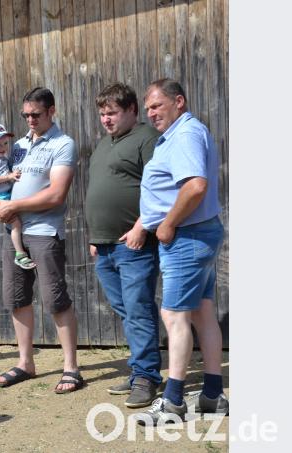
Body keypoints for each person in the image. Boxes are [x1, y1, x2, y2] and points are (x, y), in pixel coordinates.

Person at [137, 79, 227, 424]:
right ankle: (213, 395)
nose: (151, 113)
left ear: (179, 102)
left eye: (157, 106)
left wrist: (168, 223)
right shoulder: (182, 132)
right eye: (148, 108)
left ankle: (173, 402)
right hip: (197, 234)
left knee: (174, 317)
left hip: (187, 236)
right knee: (203, 312)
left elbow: (195, 186)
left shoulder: (185, 134)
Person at [0, 87, 83, 393]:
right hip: (14, 232)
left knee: (55, 299)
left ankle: (71, 367)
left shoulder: (63, 144)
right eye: (26, 115)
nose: (30, 119)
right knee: (17, 298)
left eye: (36, 114)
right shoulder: (16, 146)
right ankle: (25, 362)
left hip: (44, 232)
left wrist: (14, 206)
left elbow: (57, 194)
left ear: (51, 112)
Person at [85, 83, 162, 408]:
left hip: (134, 243)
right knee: (128, 310)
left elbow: (160, 187)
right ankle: (138, 371)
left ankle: (146, 377)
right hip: (104, 246)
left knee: (138, 308)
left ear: (132, 110)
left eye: (112, 113)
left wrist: (140, 226)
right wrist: (94, 237)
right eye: (102, 114)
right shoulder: (104, 144)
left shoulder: (146, 139)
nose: (106, 119)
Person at [0, 123, 35, 270]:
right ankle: (20, 254)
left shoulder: (2, 158)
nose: (3, 147)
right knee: (15, 223)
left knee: (17, 220)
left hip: (5, 194)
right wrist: (9, 176)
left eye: (5, 143)